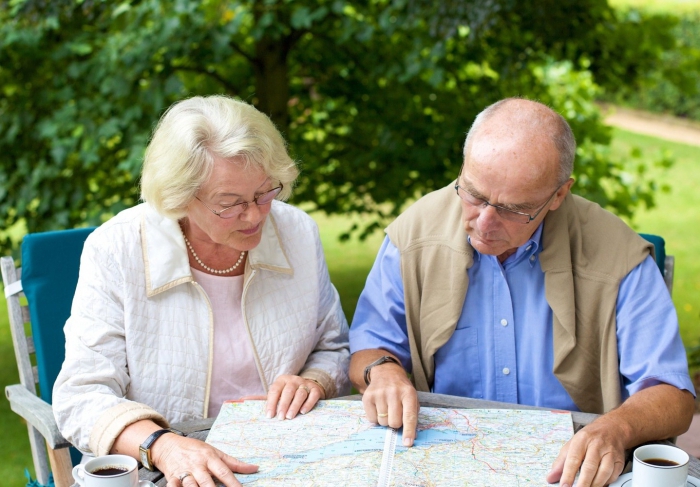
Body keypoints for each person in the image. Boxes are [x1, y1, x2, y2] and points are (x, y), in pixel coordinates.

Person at [349, 98, 695, 487]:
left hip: (569, 469)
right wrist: (383, 371)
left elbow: (672, 395)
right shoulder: (412, 235)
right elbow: (370, 345)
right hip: (444, 463)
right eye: (474, 195)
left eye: (514, 209)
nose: (484, 223)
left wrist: (615, 429)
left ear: (559, 195)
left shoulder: (619, 255)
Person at [53, 95, 351, 487]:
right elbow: (82, 396)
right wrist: (164, 446)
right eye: (230, 203)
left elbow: (334, 346)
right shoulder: (116, 249)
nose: (256, 214)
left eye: (265, 192)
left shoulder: (296, 230)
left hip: (284, 461)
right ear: (180, 196)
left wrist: (314, 381)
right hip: (168, 473)